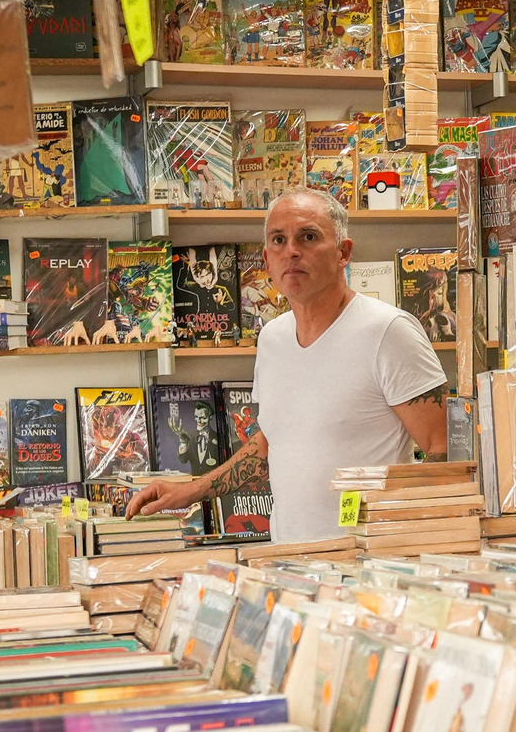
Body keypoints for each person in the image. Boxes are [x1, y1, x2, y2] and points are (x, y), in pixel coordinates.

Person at [126, 188, 447, 541]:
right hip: (288, 567)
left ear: (344, 252)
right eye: (279, 240)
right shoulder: (272, 338)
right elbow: (270, 444)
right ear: (267, 259)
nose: (291, 251)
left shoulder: (388, 332)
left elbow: (444, 449)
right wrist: (188, 491)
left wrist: (398, 537)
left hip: (368, 571)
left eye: (308, 237)